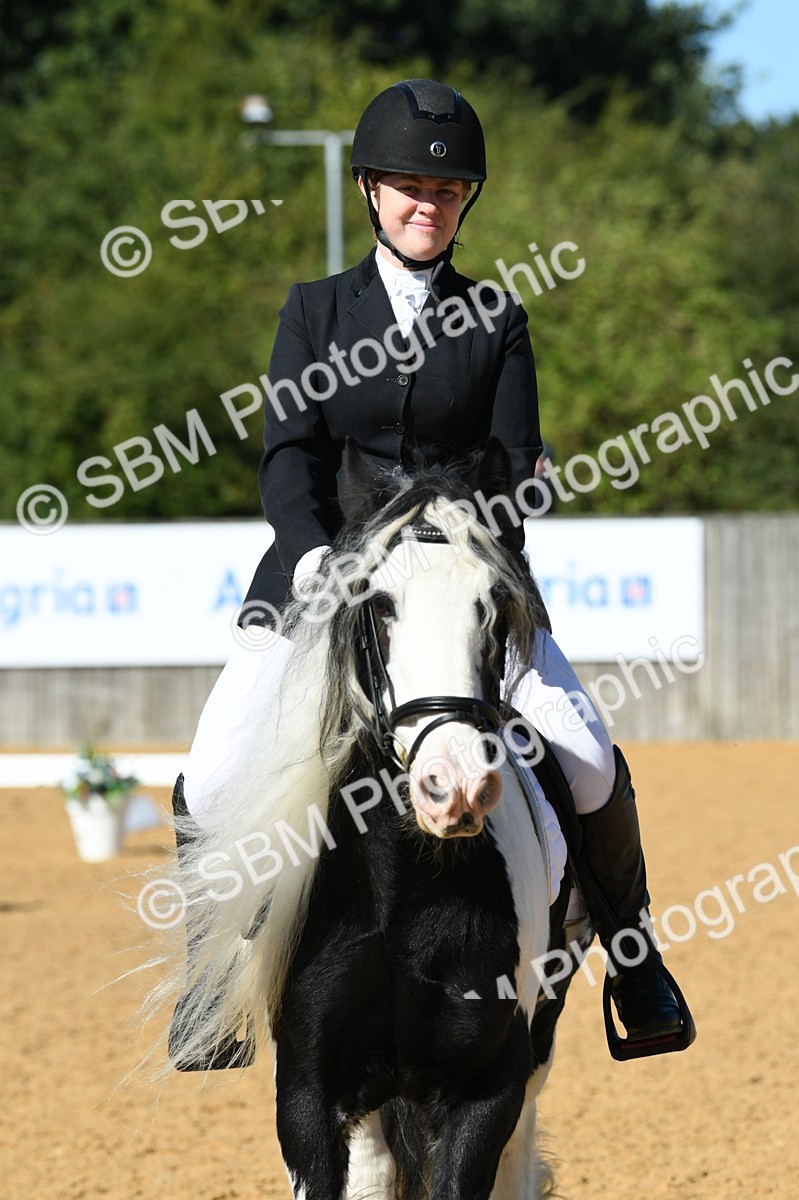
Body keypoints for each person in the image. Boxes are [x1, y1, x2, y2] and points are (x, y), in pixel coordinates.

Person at [176, 78, 689, 1066]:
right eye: (410, 186)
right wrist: (320, 553)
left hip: (459, 591)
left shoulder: (496, 319)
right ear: (370, 190)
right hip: (322, 574)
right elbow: (288, 456)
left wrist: (504, 526)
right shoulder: (314, 311)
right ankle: (210, 978)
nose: (428, 205)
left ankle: (634, 961)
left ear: (466, 205)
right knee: (214, 762)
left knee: (584, 753)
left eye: (448, 193)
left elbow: (514, 456)